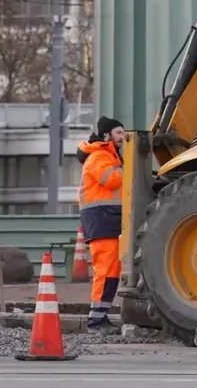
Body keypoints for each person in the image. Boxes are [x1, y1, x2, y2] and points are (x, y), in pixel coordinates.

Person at [78, 116, 126, 334]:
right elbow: (112, 180)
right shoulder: (99, 156)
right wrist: (131, 169)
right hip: (101, 218)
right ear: (106, 135)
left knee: (112, 270)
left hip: (108, 218)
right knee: (105, 270)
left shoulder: (110, 156)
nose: (123, 137)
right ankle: (96, 321)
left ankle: (100, 316)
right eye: (118, 133)